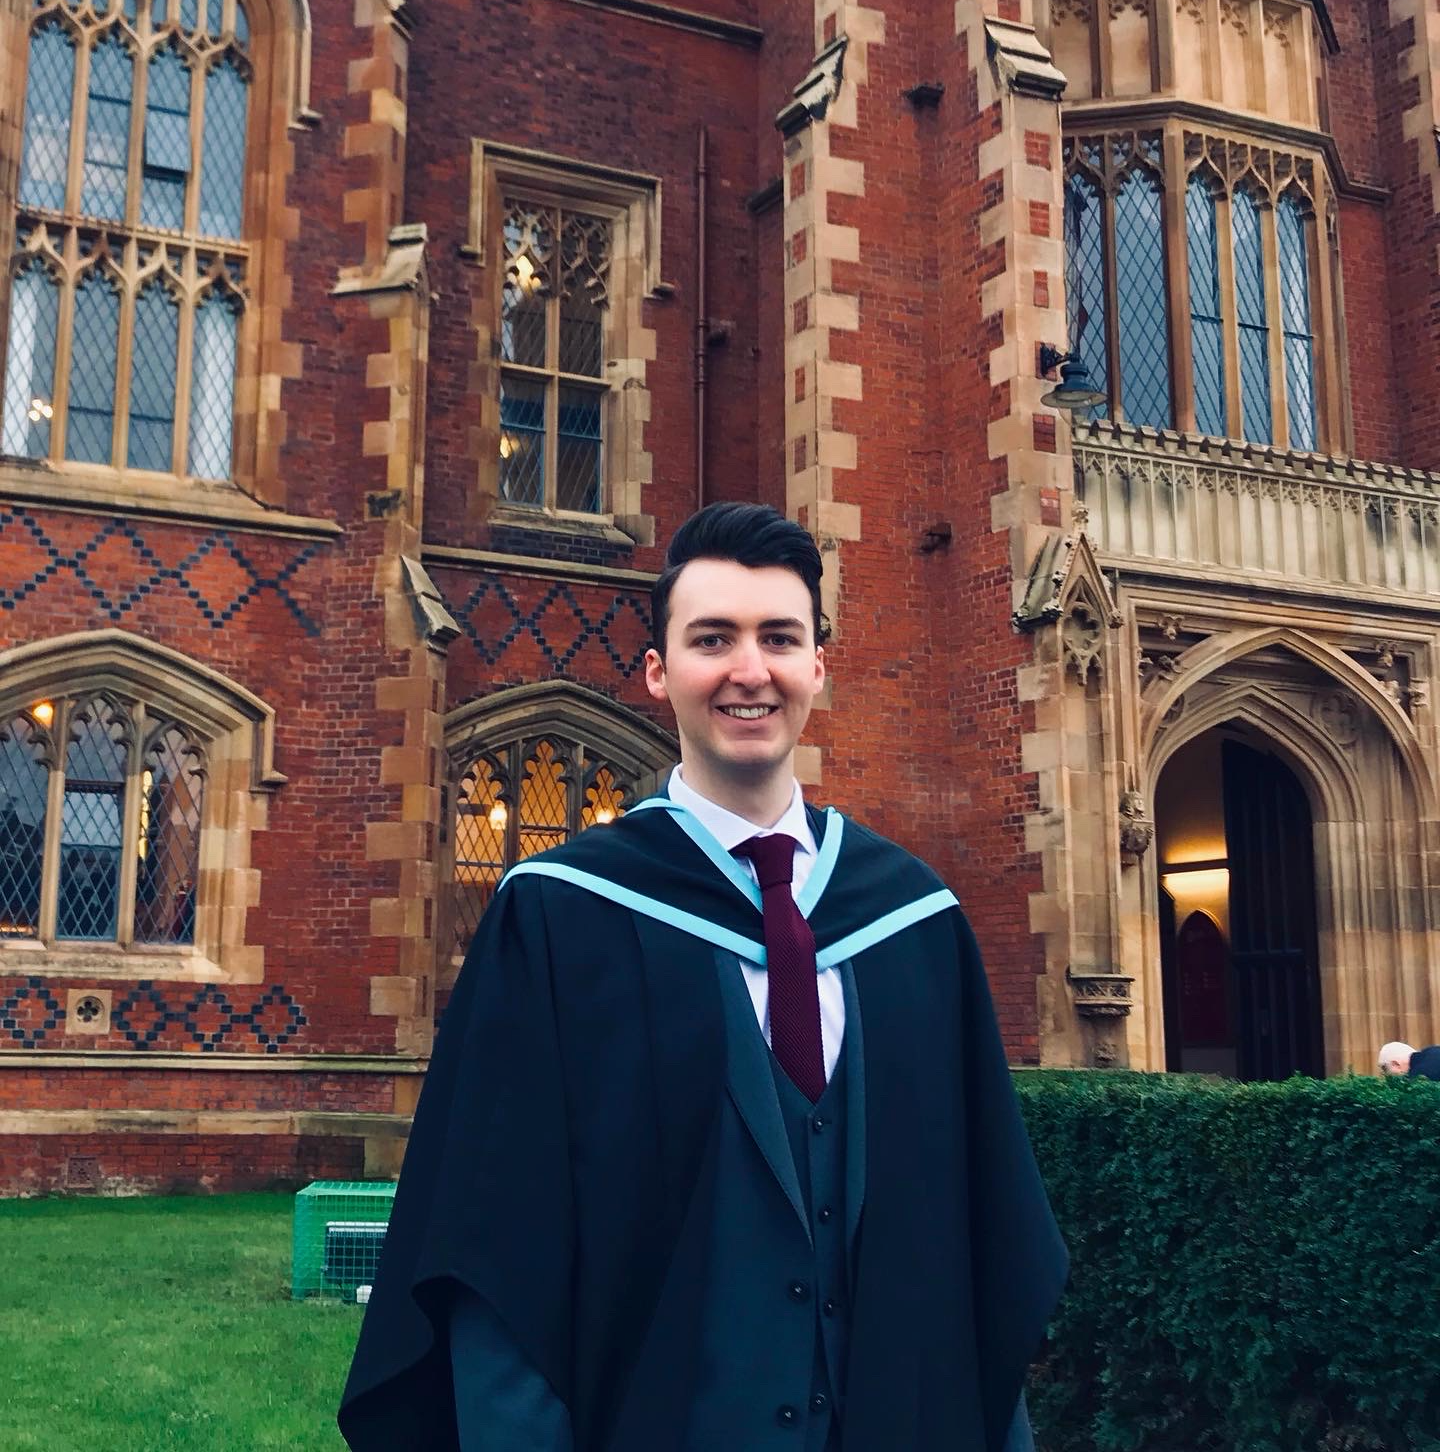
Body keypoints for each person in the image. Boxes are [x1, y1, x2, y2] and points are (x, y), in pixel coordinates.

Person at [339, 502, 1067, 1451]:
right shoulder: (563, 917)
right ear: (658, 673)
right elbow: (493, 1251)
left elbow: (982, 1247)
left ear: (819, 665)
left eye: (779, 638)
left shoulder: (912, 924)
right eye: (712, 638)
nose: (749, 670)